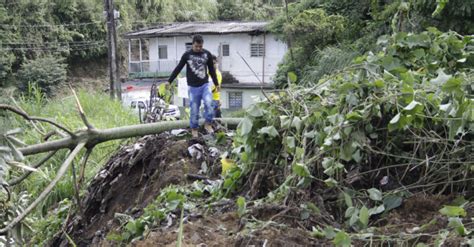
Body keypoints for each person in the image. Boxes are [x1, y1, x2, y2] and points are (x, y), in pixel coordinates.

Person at [167, 34, 219, 138]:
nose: (198, 48)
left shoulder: (207, 54)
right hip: (193, 88)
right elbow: (178, 68)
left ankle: (208, 124)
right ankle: (194, 129)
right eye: (196, 46)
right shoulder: (187, 55)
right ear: (193, 45)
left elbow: (212, 70)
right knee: (194, 109)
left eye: (200, 47)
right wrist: (169, 81)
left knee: (209, 103)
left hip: (205, 85)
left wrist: (216, 83)